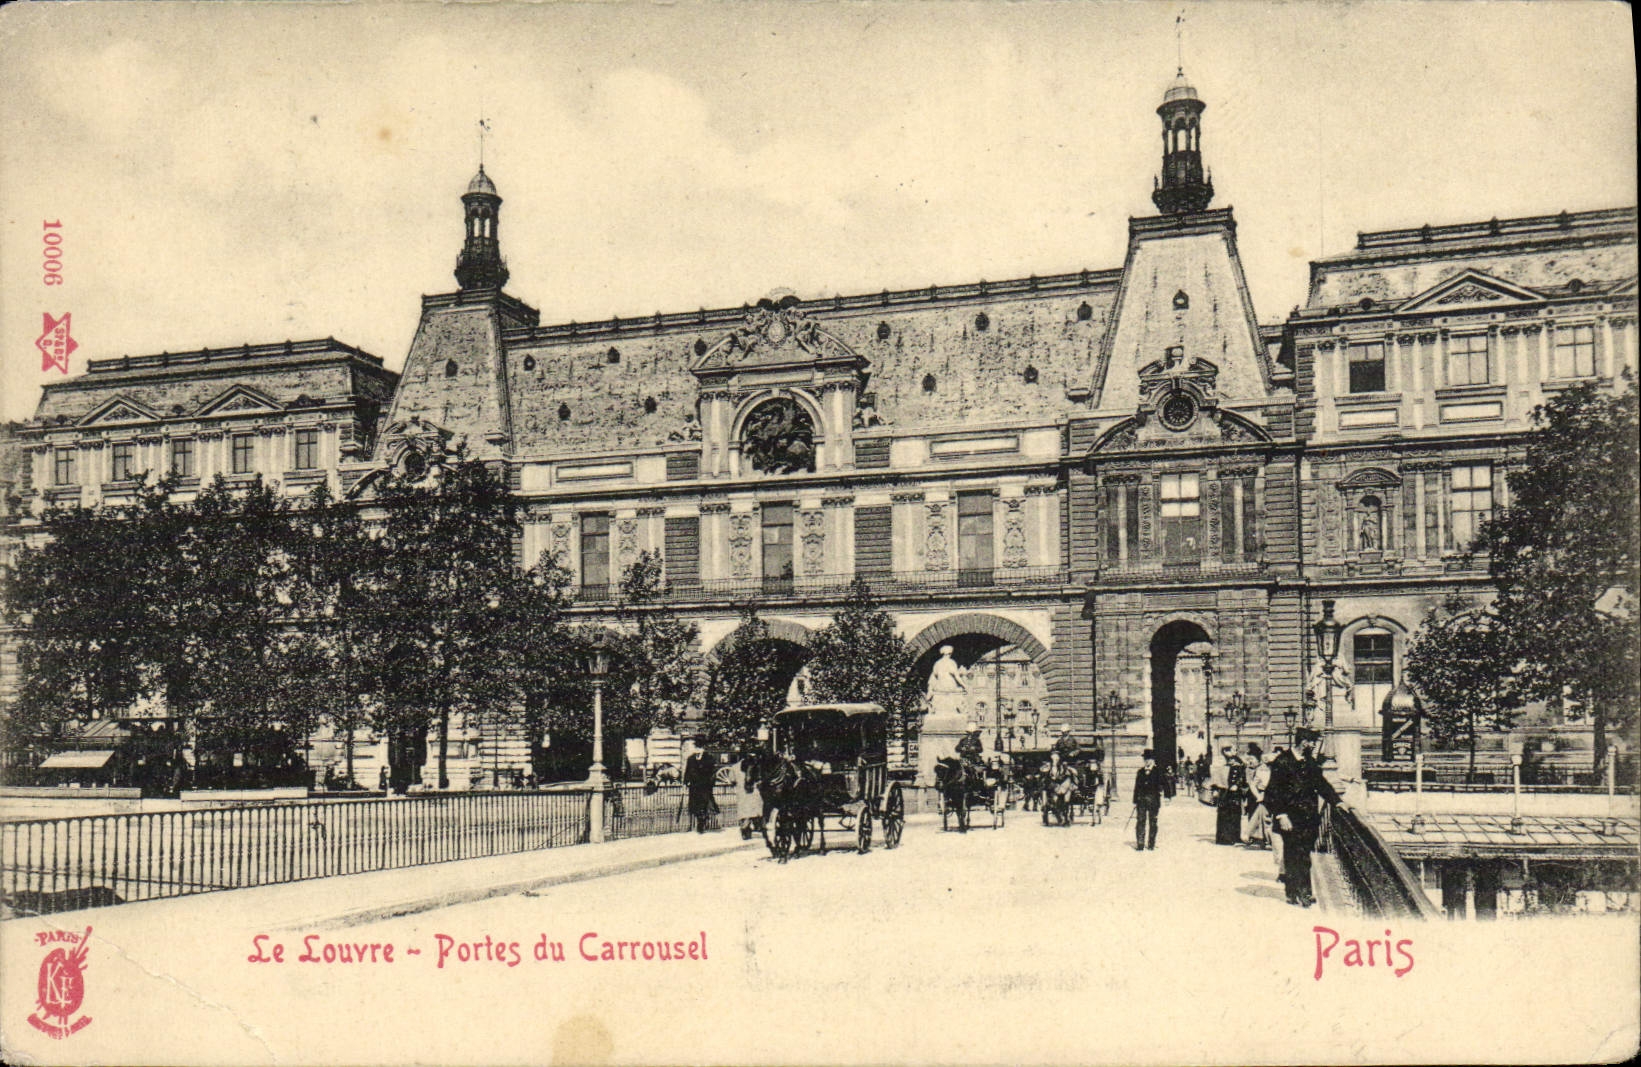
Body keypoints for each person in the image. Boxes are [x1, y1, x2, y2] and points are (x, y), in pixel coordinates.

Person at [1265, 727, 1350, 907]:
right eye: (1312, 742)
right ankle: (1300, 892)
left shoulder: (1309, 762)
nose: (1313, 745)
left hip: (1309, 819)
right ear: (1304, 742)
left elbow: (1322, 784)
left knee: (1303, 854)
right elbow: (1272, 792)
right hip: (1289, 818)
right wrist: (1281, 815)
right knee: (1295, 854)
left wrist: (1337, 802)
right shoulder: (1282, 761)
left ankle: (1297, 891)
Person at [682, 735, 719, 834]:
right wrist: (685, 782)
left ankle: (701, 824)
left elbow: (713, 772)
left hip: (704, 786)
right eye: (696, 746)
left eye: (699, 747)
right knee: (694, 805)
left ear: (703, 747)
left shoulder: (709, 758)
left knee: (704, 805)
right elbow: (687, 771)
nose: (697, 749)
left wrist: (710, 783)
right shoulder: (691, 758)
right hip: (694, 787)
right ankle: (698, 822)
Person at [1132, 748, 1165, 850]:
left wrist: (1165, 794)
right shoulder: (1140, 772)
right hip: (1141, 800)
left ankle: (1151, 843)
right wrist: (1135, 800)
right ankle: (1140, 844)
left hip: (1153, 800)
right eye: (1145, 759)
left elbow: (1163, 784)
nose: (1147, 761)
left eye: (1149, 759)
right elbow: (1137, 787)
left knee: (1153, 822)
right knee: (1140, 821)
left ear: (1153, 760)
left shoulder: (1158, 771)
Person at [1212, 744, 1246, 844]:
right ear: (1225, 751)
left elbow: (1242, 775)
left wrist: (1237, 785)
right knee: (1224, 814)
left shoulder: (1238, 761)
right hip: (1224, 791)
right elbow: (1215, 776)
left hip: (1234, 792)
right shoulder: (1220, 761)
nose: (1235, 752)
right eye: (1232, 750)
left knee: (1235, 814)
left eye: (1235, 750)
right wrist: (1215, 788)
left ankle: (1235, 837)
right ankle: (1224, 838)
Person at [1242, 743, 1270, 848]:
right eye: (1249, 759)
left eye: (1252, 759)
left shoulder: (1263, 769)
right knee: (1253, 814)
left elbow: (1262, 783)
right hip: (1253, 795)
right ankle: (1256, 837)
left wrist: (1259, 795)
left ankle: (1260, 838)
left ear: (1258, 759)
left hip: (1260, 794)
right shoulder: (1251, 769)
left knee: (1260, 817)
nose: (1250, 761)